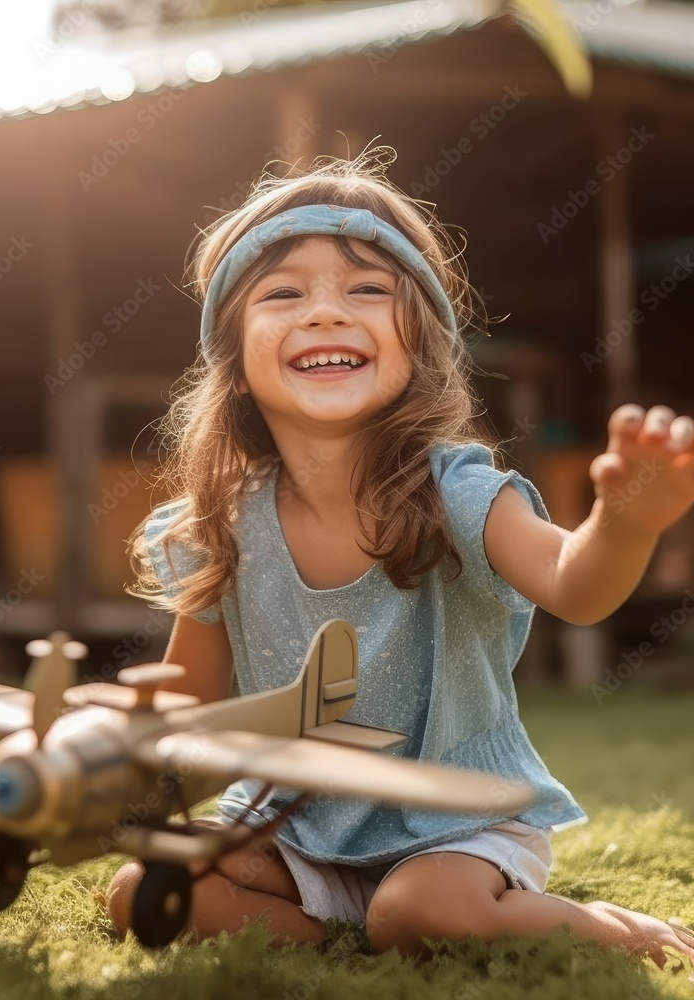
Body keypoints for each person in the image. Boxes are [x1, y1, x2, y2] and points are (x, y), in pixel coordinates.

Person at [104, 151, 694, 967]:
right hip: (290, 828)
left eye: (366, 290)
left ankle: (605, 928)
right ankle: (347, 939)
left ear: (421, 343)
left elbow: (576, 587)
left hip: (457, 828)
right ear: (234, 365)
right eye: (283, 294)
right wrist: (116, 772)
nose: (324, 314)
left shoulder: (460, 495)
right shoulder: (220, 525)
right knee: (146, 890)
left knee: (422, 910)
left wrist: (625, 524)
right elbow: (189, 717)